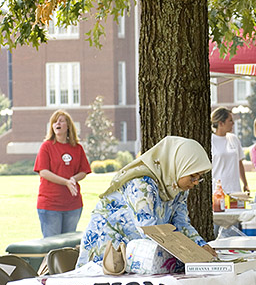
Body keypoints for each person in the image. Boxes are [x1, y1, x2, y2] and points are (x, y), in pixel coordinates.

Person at [76, 136, 211, 272]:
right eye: (193, 176)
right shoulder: (142, 184)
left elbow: (181, 223)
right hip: (107, 250)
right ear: (180, 166)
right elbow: (149, 230)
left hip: (135, 250)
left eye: (199, 178)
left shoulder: (177, 188)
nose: (195, 183)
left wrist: (201, 245)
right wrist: (191, 253)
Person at [34, 110, 91, 238]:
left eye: (61, 120)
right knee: (52, 247)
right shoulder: (46, 147)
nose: (57, 123)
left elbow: (84, 171)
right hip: (50, 205)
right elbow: (43, 172)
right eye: (54, 121)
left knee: (67, 247)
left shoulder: (77, 148)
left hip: (73, 205)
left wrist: (73, 179)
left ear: (68, 126)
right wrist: (65, 181)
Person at [211, 107, 249, 194]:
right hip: (218, 191)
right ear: (221, 123)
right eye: (230, 120)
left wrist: (245, 184)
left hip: (235, 190)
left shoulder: (234, 139)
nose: (233, 123)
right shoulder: (210, 141)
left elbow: (239, 163)